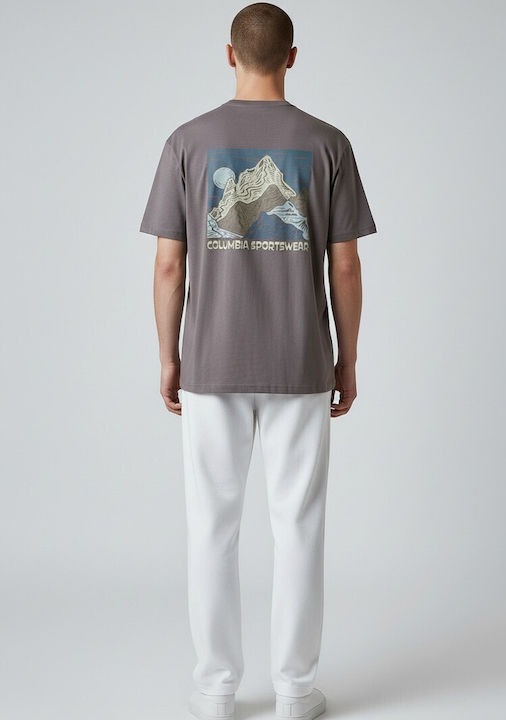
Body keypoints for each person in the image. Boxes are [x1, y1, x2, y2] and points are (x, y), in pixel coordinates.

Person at [139, 4, 377, 718]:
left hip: (211, 360)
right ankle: (295, 691)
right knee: (298, 525)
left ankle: (215, 690)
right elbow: (345, 266)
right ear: (292, 57)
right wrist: (348, 359)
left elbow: (169, 267)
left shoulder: (187, 141)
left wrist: (169, 356)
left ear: (229, 54)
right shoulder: (327, 143)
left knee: (212, 526)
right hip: (300, 360)